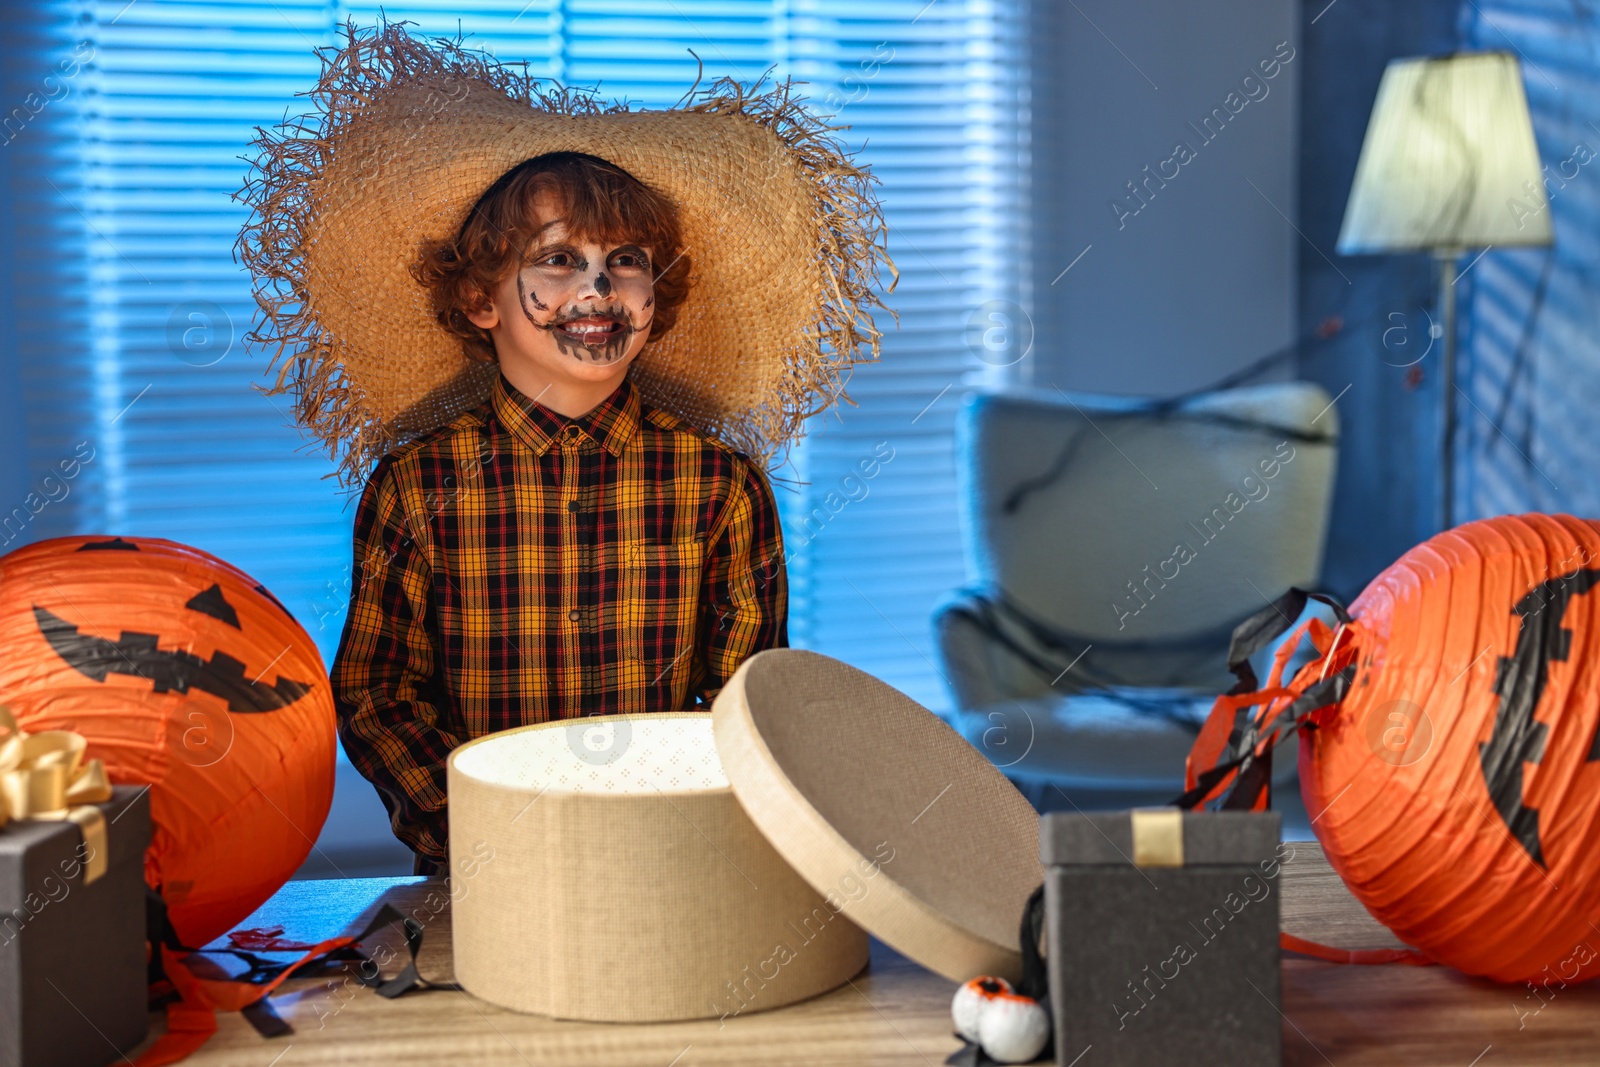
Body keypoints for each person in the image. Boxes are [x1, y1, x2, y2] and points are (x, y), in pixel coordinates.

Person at [233, 18, 895, 875]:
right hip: (484, 871)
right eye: (556, 260)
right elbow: (377, 693)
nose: (595, 287)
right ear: (481, 300)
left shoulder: (719, 484)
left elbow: (743, 706)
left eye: (625, 260)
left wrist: (668, 825)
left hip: (672, 859)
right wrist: (480, 829)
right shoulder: (418, 486)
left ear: (656, 295)